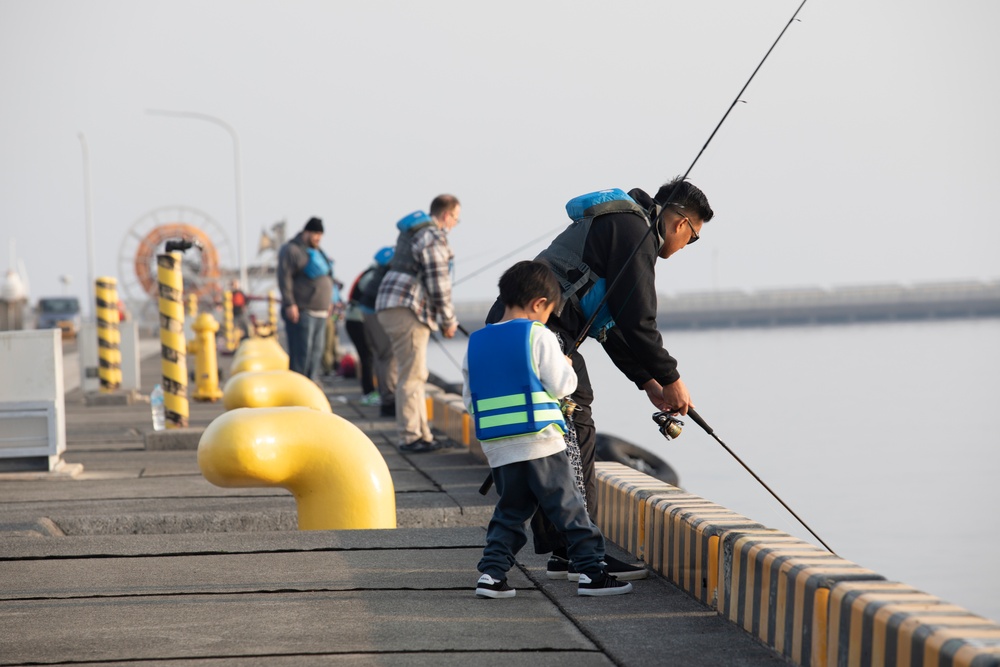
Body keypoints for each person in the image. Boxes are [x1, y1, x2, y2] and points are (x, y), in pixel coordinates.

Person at [487, 176, 714, 581]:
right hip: (540, 330)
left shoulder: (622, 226)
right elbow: (639, 320)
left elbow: (610, 327)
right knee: (572, 427)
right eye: (693, 238)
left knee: (561, 428)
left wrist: (649, 383)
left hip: (519, 329)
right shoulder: (636, 232)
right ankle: (583, 555)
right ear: (681, 223)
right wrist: (672, 378)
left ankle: (564, 549)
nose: (684, 247)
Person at [466, 260, 633, 599]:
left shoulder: (477, 341)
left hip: (499, 447)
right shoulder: (537, 334)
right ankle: (591, 572)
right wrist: (567, 365)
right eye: (549, 312)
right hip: (541, 442)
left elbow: (469, 398)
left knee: (510, 512)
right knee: (569, 507)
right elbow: (561, 385)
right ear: (539, 304)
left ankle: (491, 575)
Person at [376, 195, 461, 453]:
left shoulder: (417, 234)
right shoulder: (433, 237)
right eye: (456, 219)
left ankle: (423, 434)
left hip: (393, 304)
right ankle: (410, 436)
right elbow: (439, 283)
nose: (456, 224)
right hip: (406, 308)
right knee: (411, 376)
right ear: (446, 215)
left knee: (416, 373)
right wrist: (448, 320)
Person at [277, 216, 334, 381]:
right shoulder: (291, 250)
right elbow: (284, 277)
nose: (318, 238)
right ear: (306, 232)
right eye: (315, 234)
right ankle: (297, 392)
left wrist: (328, 302)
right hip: (302, 311)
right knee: (302, 355)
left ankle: (311, 390)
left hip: (320, 311)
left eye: (320, 235)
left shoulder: (317, 251)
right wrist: (290, 303)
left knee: (316, 355)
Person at [346, 247, 397, 416]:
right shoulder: (373, 277)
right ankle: (371, 394)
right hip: (359, 320)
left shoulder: (370, 273)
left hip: (359, 319)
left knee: (373, 356)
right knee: (370, 357)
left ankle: (377, 394)